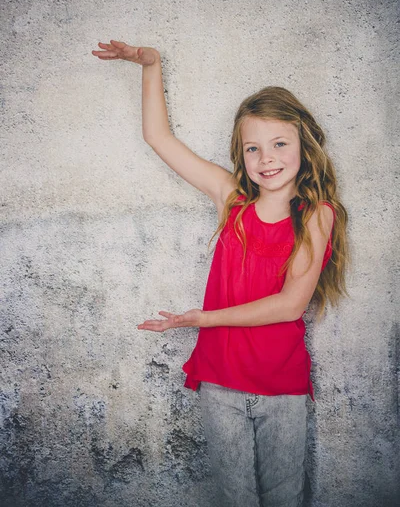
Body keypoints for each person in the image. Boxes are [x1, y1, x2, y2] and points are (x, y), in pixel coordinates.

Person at [92, 40, 348, 507]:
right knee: (235, 498)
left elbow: (291, 304)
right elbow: (159, 139)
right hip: (221, 384)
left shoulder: (316, 214)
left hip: (282, 389)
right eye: (253, 148)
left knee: (284, 497)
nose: (266, 158)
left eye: (278, 144)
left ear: (303, 145)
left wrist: (202, 319)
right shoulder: (232, 201)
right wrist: (150, 64)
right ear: (241, 154)